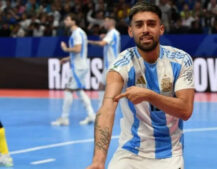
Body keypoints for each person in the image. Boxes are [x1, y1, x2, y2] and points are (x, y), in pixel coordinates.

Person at [86, 2, 194, 169]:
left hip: (169, 156)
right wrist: (99, 161)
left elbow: (185, 110)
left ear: (161, 29)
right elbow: (107, 109)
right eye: (139, 25)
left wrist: (148, 95)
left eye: (151, 24)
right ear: (131, 31)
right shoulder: (121, 65)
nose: (145, 29)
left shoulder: (180, 60)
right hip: (130, 153)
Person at [51, 13, 95, 126]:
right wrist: (67, 58)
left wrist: (65, 49)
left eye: (67, 19)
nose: (65, 21)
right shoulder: (79, 33)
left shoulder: (77, 33)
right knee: (79, 91)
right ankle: (91, 115)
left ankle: (64, 118)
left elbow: (78, 49)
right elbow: (79, 52)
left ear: (73, 21)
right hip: (80, 65)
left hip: (78, 67)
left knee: (68, 90)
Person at [88, 16, 121, 108]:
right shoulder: (113, 33)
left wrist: (89, 41)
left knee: (105, 86)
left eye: (105, 22)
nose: (103, 24)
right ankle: (102, 108)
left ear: (111, 23)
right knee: (103, 86)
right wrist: (105, 36)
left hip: (112, 65)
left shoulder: (112, 33)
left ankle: (102, 109)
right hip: (110, 65)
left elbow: (103, 43)